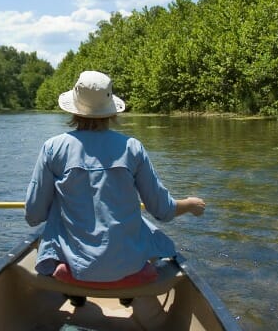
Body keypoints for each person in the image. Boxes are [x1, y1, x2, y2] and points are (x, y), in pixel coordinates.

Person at [24, 70, 206, 306]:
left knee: (57, 213)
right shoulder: (132, 148)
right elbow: (162, 210)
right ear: (110, 111)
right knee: (141, 225)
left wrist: (56, 201)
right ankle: (126, 293)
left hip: (72, 270)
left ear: (73, 109)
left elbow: (33, 216)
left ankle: (75, 294)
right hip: (130, 271)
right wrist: (190, 204)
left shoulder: (52, 148)